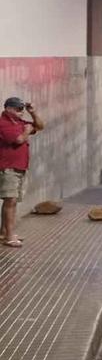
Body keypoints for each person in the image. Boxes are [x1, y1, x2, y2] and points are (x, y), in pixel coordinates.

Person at [0, 97, 44, 248]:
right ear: (8, 109)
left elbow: (40, 126)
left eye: (22, 109)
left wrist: (33, 113)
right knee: (10, 201)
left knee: (11, 201)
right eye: (18, 109)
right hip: (8, 167)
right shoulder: (4, 123)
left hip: (19, 167)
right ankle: (9, 237)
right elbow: (18, 140)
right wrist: (26, 132)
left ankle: (5, 232)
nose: (21, 112)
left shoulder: (19, 123)